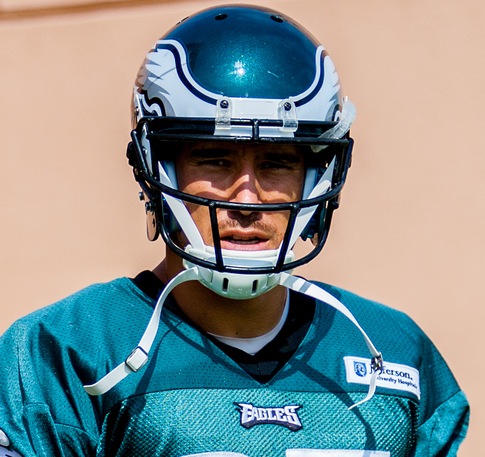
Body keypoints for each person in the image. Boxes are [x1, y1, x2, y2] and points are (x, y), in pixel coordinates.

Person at [0, 4, 469, 456]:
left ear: (318, 176)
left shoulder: (394, 351)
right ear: (156, 170)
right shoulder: (68, 349)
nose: (247, 199)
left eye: (277, 162)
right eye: (215, 159)